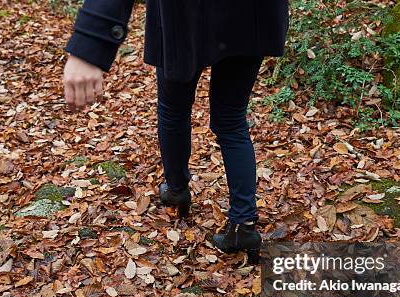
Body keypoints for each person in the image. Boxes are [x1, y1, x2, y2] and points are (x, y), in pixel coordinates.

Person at [63, 0, 289, 263]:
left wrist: (88, 45)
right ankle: (243, 224)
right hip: (250, 16)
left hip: (186, 19)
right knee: (231, 119)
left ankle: (177, 188)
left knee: (174, 110)